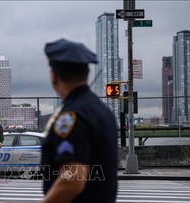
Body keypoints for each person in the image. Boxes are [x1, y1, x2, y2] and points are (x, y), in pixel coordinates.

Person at [41, 39, 118, 202]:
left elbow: (73, 180)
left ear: (53, 76)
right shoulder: (103, 111)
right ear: (86, 73)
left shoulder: (71, 116)